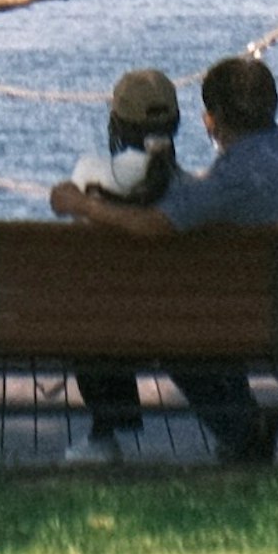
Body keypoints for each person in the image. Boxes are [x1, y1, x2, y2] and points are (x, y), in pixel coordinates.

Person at [46, 46, 278, 465]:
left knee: (177, 329)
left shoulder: (233, 177)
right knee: (192, 321)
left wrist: (83, 206)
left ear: (212, 119)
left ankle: (240, 432)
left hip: (258, 315)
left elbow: (156, 224)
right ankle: (242, 431)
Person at [45, 67, 182, 458]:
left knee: (98, 308)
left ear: (116, 122)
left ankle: (105, 433)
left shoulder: (89, 171)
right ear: (176, 123)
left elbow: (66, 209)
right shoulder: (189, 187)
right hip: (181, 323)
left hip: (104, 324)